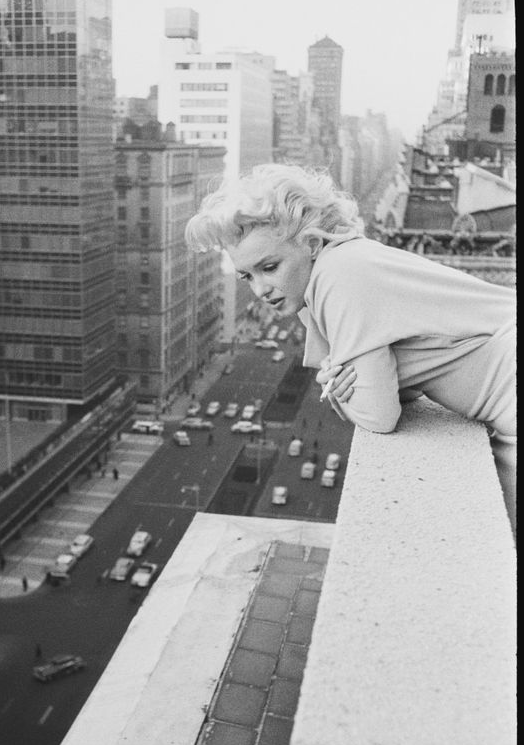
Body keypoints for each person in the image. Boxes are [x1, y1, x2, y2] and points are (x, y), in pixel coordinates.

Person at [185, 163, 516, 534]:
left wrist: (339, 388)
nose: (261, 289)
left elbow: (379, 416)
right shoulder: (339, 267)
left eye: (270, 267)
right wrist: (348, 381)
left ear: (310, 244)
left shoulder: (339, 276)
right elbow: (404, 389)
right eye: (248, 276)